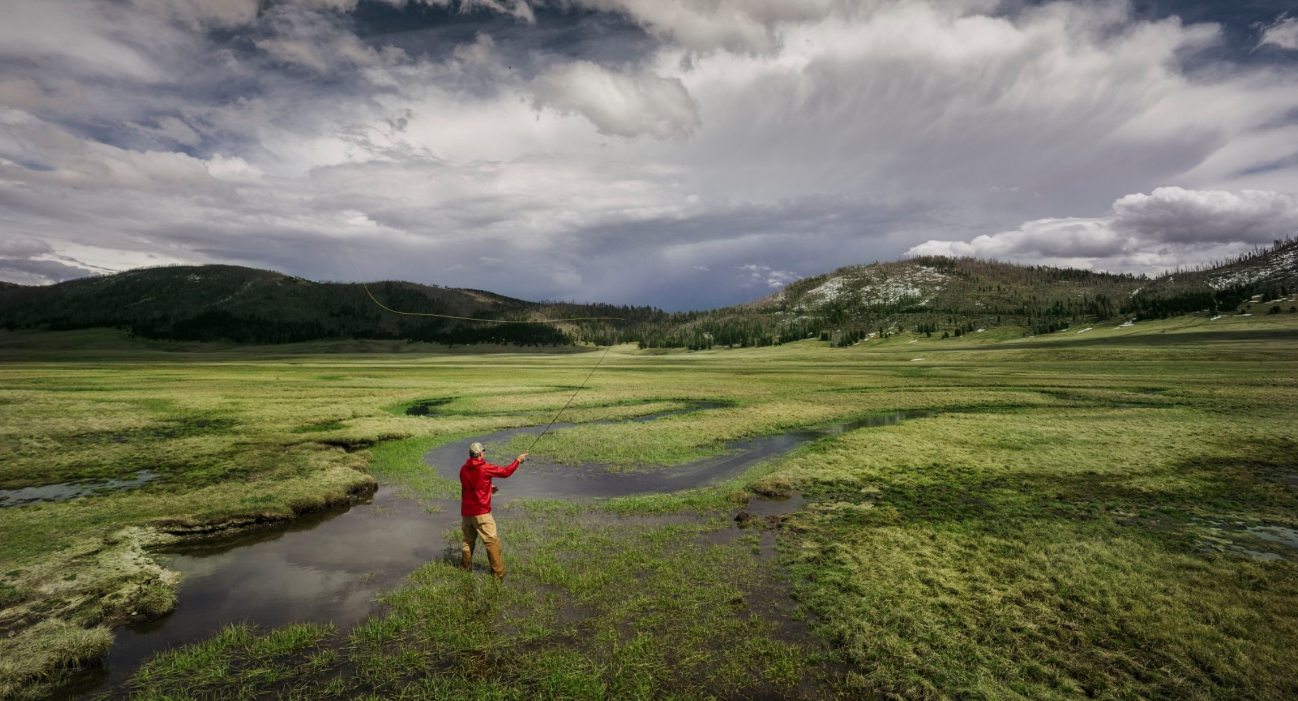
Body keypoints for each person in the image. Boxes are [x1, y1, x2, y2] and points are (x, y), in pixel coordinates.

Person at [459, 441, 528, 579]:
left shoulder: (463, 469)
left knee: (467, 542)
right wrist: (518, 461)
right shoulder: (485, 467)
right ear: (479, 454)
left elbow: (471, 487)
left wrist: (488, 488)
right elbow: (506, 472)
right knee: (492, 542)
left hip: (467, 513)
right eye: (483, 452)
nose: (484, 454)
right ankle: (498, 575)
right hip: (481, 513)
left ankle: (465, 570)